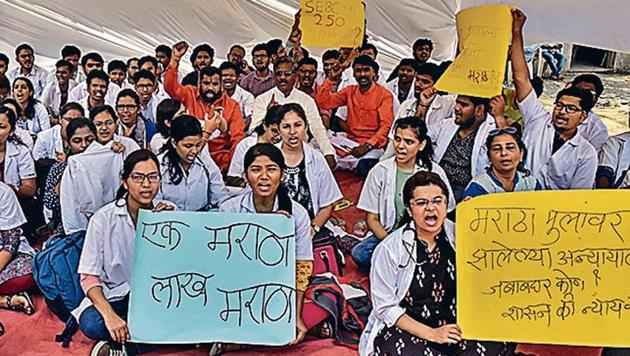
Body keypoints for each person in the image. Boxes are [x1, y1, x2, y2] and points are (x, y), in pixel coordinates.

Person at [360, 171, 515, 356]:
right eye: (421, 203)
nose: (431, 208)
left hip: (457, 323)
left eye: (437, 201)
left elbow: (494, 263)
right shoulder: (390, 249)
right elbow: (385, 308)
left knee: (499, 341)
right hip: (411, 327)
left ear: (446, 205)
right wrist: (432, 334)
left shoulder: (463, 236)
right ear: (409, 210)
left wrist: (474, 217)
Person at [76, 149, 175, 356]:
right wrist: (110, 315)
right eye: (138, 177)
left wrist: (170, 225)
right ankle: (167, 338)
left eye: (153, 177)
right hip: (118, 297)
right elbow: (88, 278)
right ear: (125, 181)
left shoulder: (169, 213)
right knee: (92, 323)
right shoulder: (103, 219)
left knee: (191, 316)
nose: (146, 185)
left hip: (156, 297)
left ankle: (125, 348)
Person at [219, 143, 313, 350]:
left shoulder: (297, 214)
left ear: (282, 175)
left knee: (316, 305)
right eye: (255, 170)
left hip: (279, 287)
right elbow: (220, 266)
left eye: (271, 169)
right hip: (237, 288)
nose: (264, 176)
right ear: (245, 175)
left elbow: (302, 266)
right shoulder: (229, 210)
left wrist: (294, 315)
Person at [511, 9, 597, 190]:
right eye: (559, 105)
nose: (562, 112)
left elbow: (577, 197)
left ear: (583, 117)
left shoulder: (585, 153)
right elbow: (521, 79)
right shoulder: (537, 119)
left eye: (571, 109)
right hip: (515, 201)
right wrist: (517, 32)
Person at [352, 117, 454, 268]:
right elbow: (372, 219)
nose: (400, 146)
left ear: (422, 145)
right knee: (360, 254)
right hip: (391, 235)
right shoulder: (380, 171)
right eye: (397, 139)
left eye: (409, 142)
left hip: (427, 235)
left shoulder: (435, 172)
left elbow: (445, 212)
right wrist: (391, 244)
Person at [165, 41, 245, 171]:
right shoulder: (189, 93)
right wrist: (175, 59)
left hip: (219, 161)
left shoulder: (232, 105)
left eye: (215, 84)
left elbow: (238, 138)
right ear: (199, 82)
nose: (210, 88)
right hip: (188, 157)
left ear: (221, 84)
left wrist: (231, 166)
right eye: (206, 83)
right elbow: (170, 88)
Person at [251, 56, 336, 168]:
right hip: (270, 151)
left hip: (300, 150)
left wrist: (328, 152)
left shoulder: (306, 100)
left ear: (295, 77)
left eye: (287, 74)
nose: (282, 78)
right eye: (278, 74)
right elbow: (252, 130)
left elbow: (317, 128)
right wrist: (268, 114)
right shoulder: (262, 99)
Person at [317, 55, 394, 171]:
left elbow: (386, 126)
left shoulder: (384, 95)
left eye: (366, 70)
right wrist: (331, 79)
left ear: (374, 73)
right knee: (318, 148)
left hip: (372, 146)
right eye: (358, 71)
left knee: (363, 165)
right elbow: (323, 102)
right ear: (353, 74)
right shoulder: (349, 91)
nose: (362, 74)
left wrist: (367, 146)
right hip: (349, 142)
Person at [276, 103, 342, 234]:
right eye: (286, 127)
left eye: (298, 125)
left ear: (306, 127)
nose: (292, 132)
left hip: (311, 227)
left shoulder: (317, 159)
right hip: (276, 229)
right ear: (278, 130)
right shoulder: (269, 158)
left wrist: (313, 229)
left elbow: (327, 204)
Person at [429, 95, 496, 202]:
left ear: (479, 110)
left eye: (463, 105)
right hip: (437, 181)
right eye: (457, 103)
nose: (456, 108)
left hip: (464, 189)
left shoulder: (491, 131)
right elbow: (420, 135)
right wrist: (422, 107)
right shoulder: (447, 124)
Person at [156, 115, 229, 211]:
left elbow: (221, 197)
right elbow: (154, 199)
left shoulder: (206, 164)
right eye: (188, 146)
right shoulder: (160, 165)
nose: (194, 151)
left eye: (198, 145)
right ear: (174, 143)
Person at [44, 118, 96, 235]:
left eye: (89, 140)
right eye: (77, 141)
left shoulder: (104, 164)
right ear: (68, 142)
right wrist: (68, 176)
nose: (84, 145)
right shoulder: (58, 169)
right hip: (69, 231)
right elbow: (50, 202)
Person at [463, 127, 541, 199]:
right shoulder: (478, 187)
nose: (503, 153)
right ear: (489, 157)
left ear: (521, 154)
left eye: (510, 147)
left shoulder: (532, 184)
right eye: (497, 149)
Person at [0, 181, 36, 316]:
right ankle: (6, 300)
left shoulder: (3, 193)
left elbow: (10, 245)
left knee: (30, 270)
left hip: (6, 256)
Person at [228, 105, 281, 180]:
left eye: (282, 132)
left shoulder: (285, 146)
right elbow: (234, 175)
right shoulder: (245, 144)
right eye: (274, 131)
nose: (278, 137)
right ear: (265, 125)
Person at [571, 74, 609, 151]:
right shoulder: (555, 115)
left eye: (589, 93)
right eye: (578, 91)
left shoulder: (598, 130)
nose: (583, 96)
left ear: (596, 99)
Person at [295, 57, 332, 129]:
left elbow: (325, 124)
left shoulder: (323, 92)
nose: (307, 75)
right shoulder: (290, 90)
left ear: (316, 74)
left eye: (311, 72)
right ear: (297, 73)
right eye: (303, 71)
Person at [219, 61, 254, 129]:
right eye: (224, 75)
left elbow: (248, 119)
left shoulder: (247, 96)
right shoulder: (215, 94)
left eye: (232, 75)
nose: (228, 78)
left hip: (240, 131)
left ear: (238, 78)